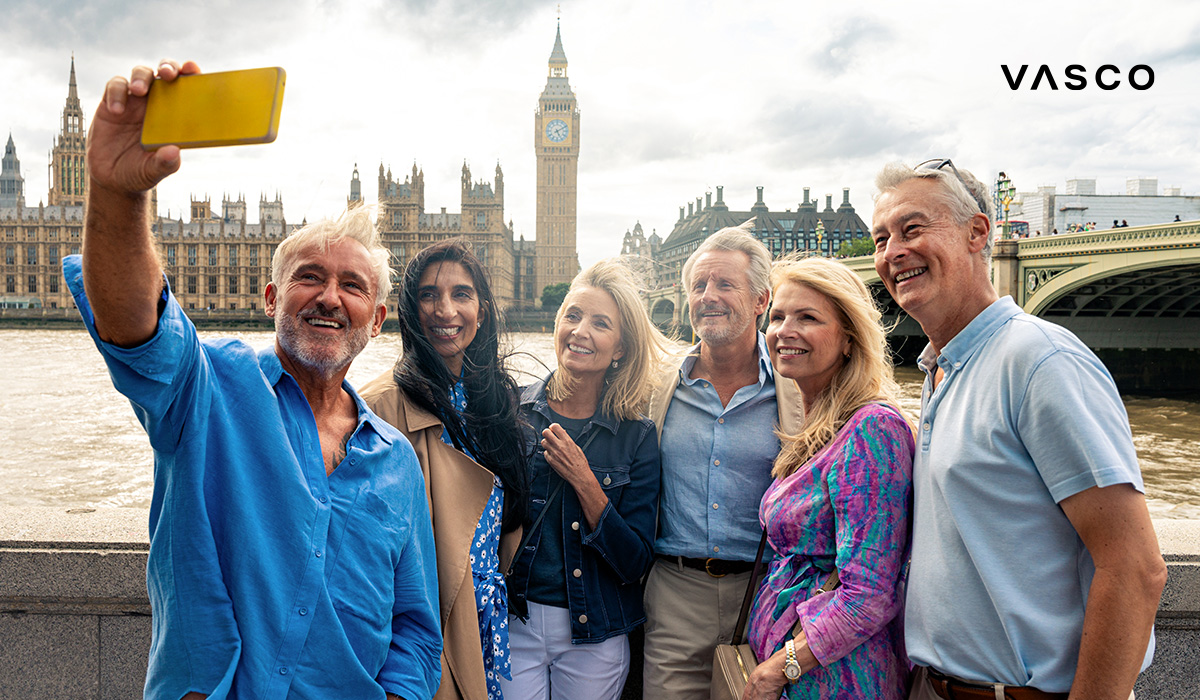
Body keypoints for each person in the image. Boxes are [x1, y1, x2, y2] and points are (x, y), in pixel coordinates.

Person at [70, 61, 440, 699]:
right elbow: (136, 325)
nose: (329, 297)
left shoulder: (398, 463)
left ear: (378, 320)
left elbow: (415, 628)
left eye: (352, 286)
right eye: (308, 277)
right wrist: (119, 193)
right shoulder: (206, 391)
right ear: (270, 295)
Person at [871, 159, 1167, 699]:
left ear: (978, 232)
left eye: (913, 229)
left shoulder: (1036, 360)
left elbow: (1135, 567)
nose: (892, 253)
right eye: (881, 238)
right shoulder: (940, 370)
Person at [360, 240, 530, 700]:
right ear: (409, 310)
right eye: (429, 295)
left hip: (488, 626)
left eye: (462, 294)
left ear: (483, 308)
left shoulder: (493, 403)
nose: (445, 310)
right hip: (426, 634)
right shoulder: (378, 408)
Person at [739, 257, 914, 700]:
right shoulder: (818, 428)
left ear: (849, 341)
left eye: (808, 317)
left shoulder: (871, 430)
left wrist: (777, 670)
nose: (784, 330)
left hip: (836, 681)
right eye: (777, 316)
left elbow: (869, 593)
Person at [643, 225, 803, 700]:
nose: (708, 297)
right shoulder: (655, 388)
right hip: (675, 593)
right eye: (699, 286)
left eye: (725, 284)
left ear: (761, 301)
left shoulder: (799, 389)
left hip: (767, 594)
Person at [503, 259, 670, 700]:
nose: (580, 331)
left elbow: (635, 562)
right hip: (514, 619)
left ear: (619, 349)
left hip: (595, 629)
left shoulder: (637, 436)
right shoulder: (511, 414)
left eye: (600, 323)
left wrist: (586, 482)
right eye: (572, 316)